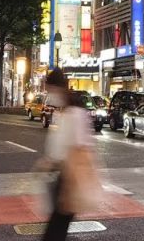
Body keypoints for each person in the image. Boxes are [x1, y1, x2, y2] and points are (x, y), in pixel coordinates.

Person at [36, 68, 99, 241]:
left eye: (50, 90)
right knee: (57, 229)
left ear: (58, 88)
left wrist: (68, 187)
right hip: (61, 177)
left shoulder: (75, 113)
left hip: (69, 179)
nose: (49, 95)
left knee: (55, 231)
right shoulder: (62, 112)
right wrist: (49, 161)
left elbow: (79, 151)